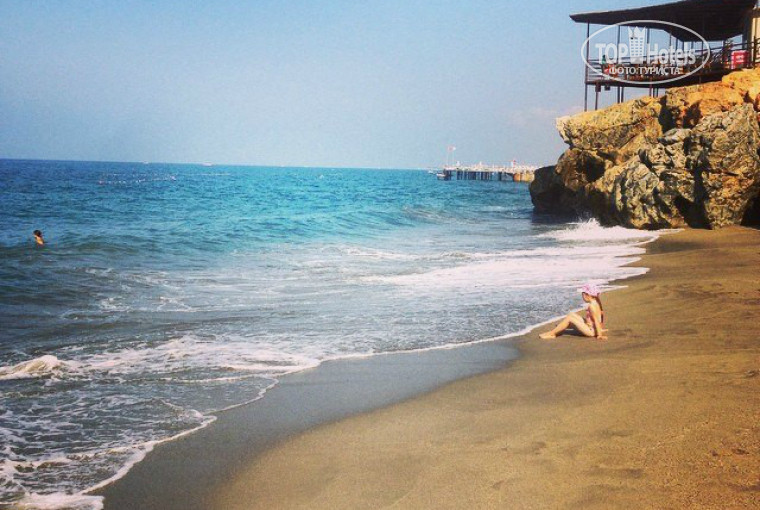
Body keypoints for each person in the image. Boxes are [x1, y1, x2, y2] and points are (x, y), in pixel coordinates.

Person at [539, 283, 606, 340]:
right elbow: (599, 317)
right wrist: (600, 328)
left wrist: (599, 335)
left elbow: (596, 320)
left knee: (570, 318)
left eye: (582, 294)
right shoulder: (595, 303)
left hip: (591, 331)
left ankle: (552, 333)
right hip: (591, 326)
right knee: (571, 314)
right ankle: (559, 327)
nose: (582, 297)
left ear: (587, 295)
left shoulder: (592, 306)